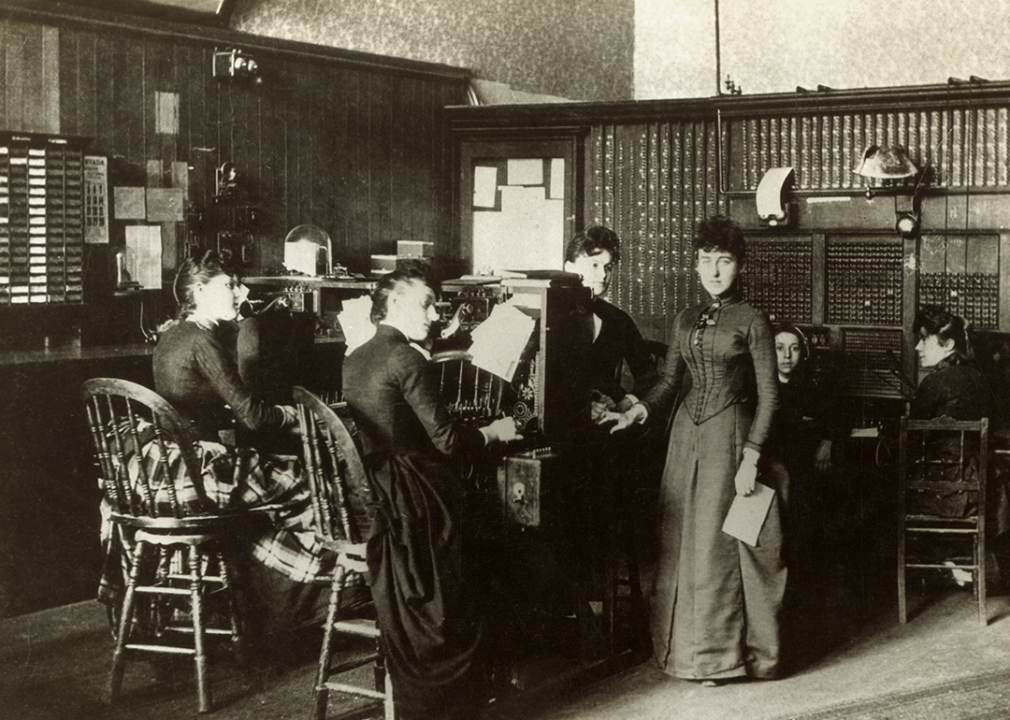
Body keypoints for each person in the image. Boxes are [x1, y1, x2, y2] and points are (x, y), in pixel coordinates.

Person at [609, 215, 783, 684]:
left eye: (723, 261)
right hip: (685, 437)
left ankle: (719, 658)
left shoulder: (754, 320)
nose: (713, 270)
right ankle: (680, 653)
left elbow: (770, 396)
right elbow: (669, 382)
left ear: (739, 266)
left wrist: (751, 456)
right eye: (705, 260)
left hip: (730, 437)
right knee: (678, 542)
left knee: (716, 547)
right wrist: (636, 413)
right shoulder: (685, 317)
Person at [342, 267, 520, 720]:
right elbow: (450, 443)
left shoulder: (357, 355)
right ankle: (478, 686)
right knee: (496, 535)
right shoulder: (406, 358)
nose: (435, 313)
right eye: (426, 303)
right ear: (396, 304)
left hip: (375, 493)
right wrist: (495, 430)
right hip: (411, 497)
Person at [144, 249, 332, 640]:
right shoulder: (201, 341)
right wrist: (303, 415)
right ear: (198, 290)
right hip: (198, 472)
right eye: (229, 284)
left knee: (279, 474)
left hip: (164, 466)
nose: (241, 291)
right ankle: (304, 604)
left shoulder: (173, 334)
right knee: (317, 485)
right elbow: (254, 416)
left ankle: (264, 607)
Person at [765, 323, 842, 574]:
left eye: (794, 348)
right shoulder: (762, 389)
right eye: (779, 348)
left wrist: (828, 442)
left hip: (805, 464)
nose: (787, 356)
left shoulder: (812, 387)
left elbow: (833, 417)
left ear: (803, 353)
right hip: (771, 464)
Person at [563, 225, 659, 419]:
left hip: (609, 416)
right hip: (563, 419)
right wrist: (581, 408)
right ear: (569, 268)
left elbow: (648, 374)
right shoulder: (552, 317)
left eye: (608, 267)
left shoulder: (617, 319)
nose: (604, 275)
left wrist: (627, 402)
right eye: (595, 265)